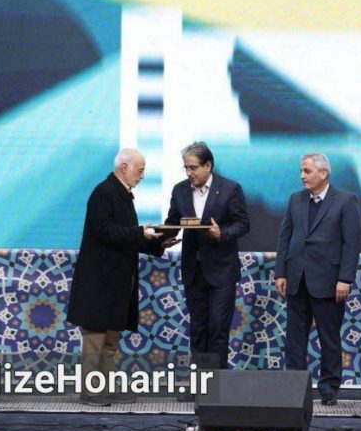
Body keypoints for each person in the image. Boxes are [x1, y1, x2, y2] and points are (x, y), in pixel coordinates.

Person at [67, 148, 179, 406]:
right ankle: (90, 391)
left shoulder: (123, 194)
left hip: (116, 281)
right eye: (140, 169)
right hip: (100, 280)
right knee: (95, 338)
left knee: (111, 340)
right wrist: (140, 232)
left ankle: (105, 388)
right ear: (124, 167)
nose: (143, 175)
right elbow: (105, 231)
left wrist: (158, 243)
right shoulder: (103, 192)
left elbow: (127, 237)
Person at [275, 153, 361, 406]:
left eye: (307, 171)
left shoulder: (346, 201)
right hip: (297, 279)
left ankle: (329, 388)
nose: (302, 176)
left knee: (329, 338)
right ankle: (294, 388)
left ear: (323, 173)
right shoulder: (295, 199)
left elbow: (351, 244)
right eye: (301, 171)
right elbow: (284, 237)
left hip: (329, 282)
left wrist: (345, 278)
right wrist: (280, 272)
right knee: (294, 339)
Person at [164, 141, 249, 370]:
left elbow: (243, 224)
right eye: (185, 168)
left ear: (208, 165)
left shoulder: (230, 188)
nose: (188, 173)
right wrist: (159, 237)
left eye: (192, 167)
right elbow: (173, 222)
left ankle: (216, 383)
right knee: (198, 329)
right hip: (194, 271)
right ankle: (200, 381)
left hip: (222, 271)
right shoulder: (180, 190)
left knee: (218, 328)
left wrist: (222, 234)